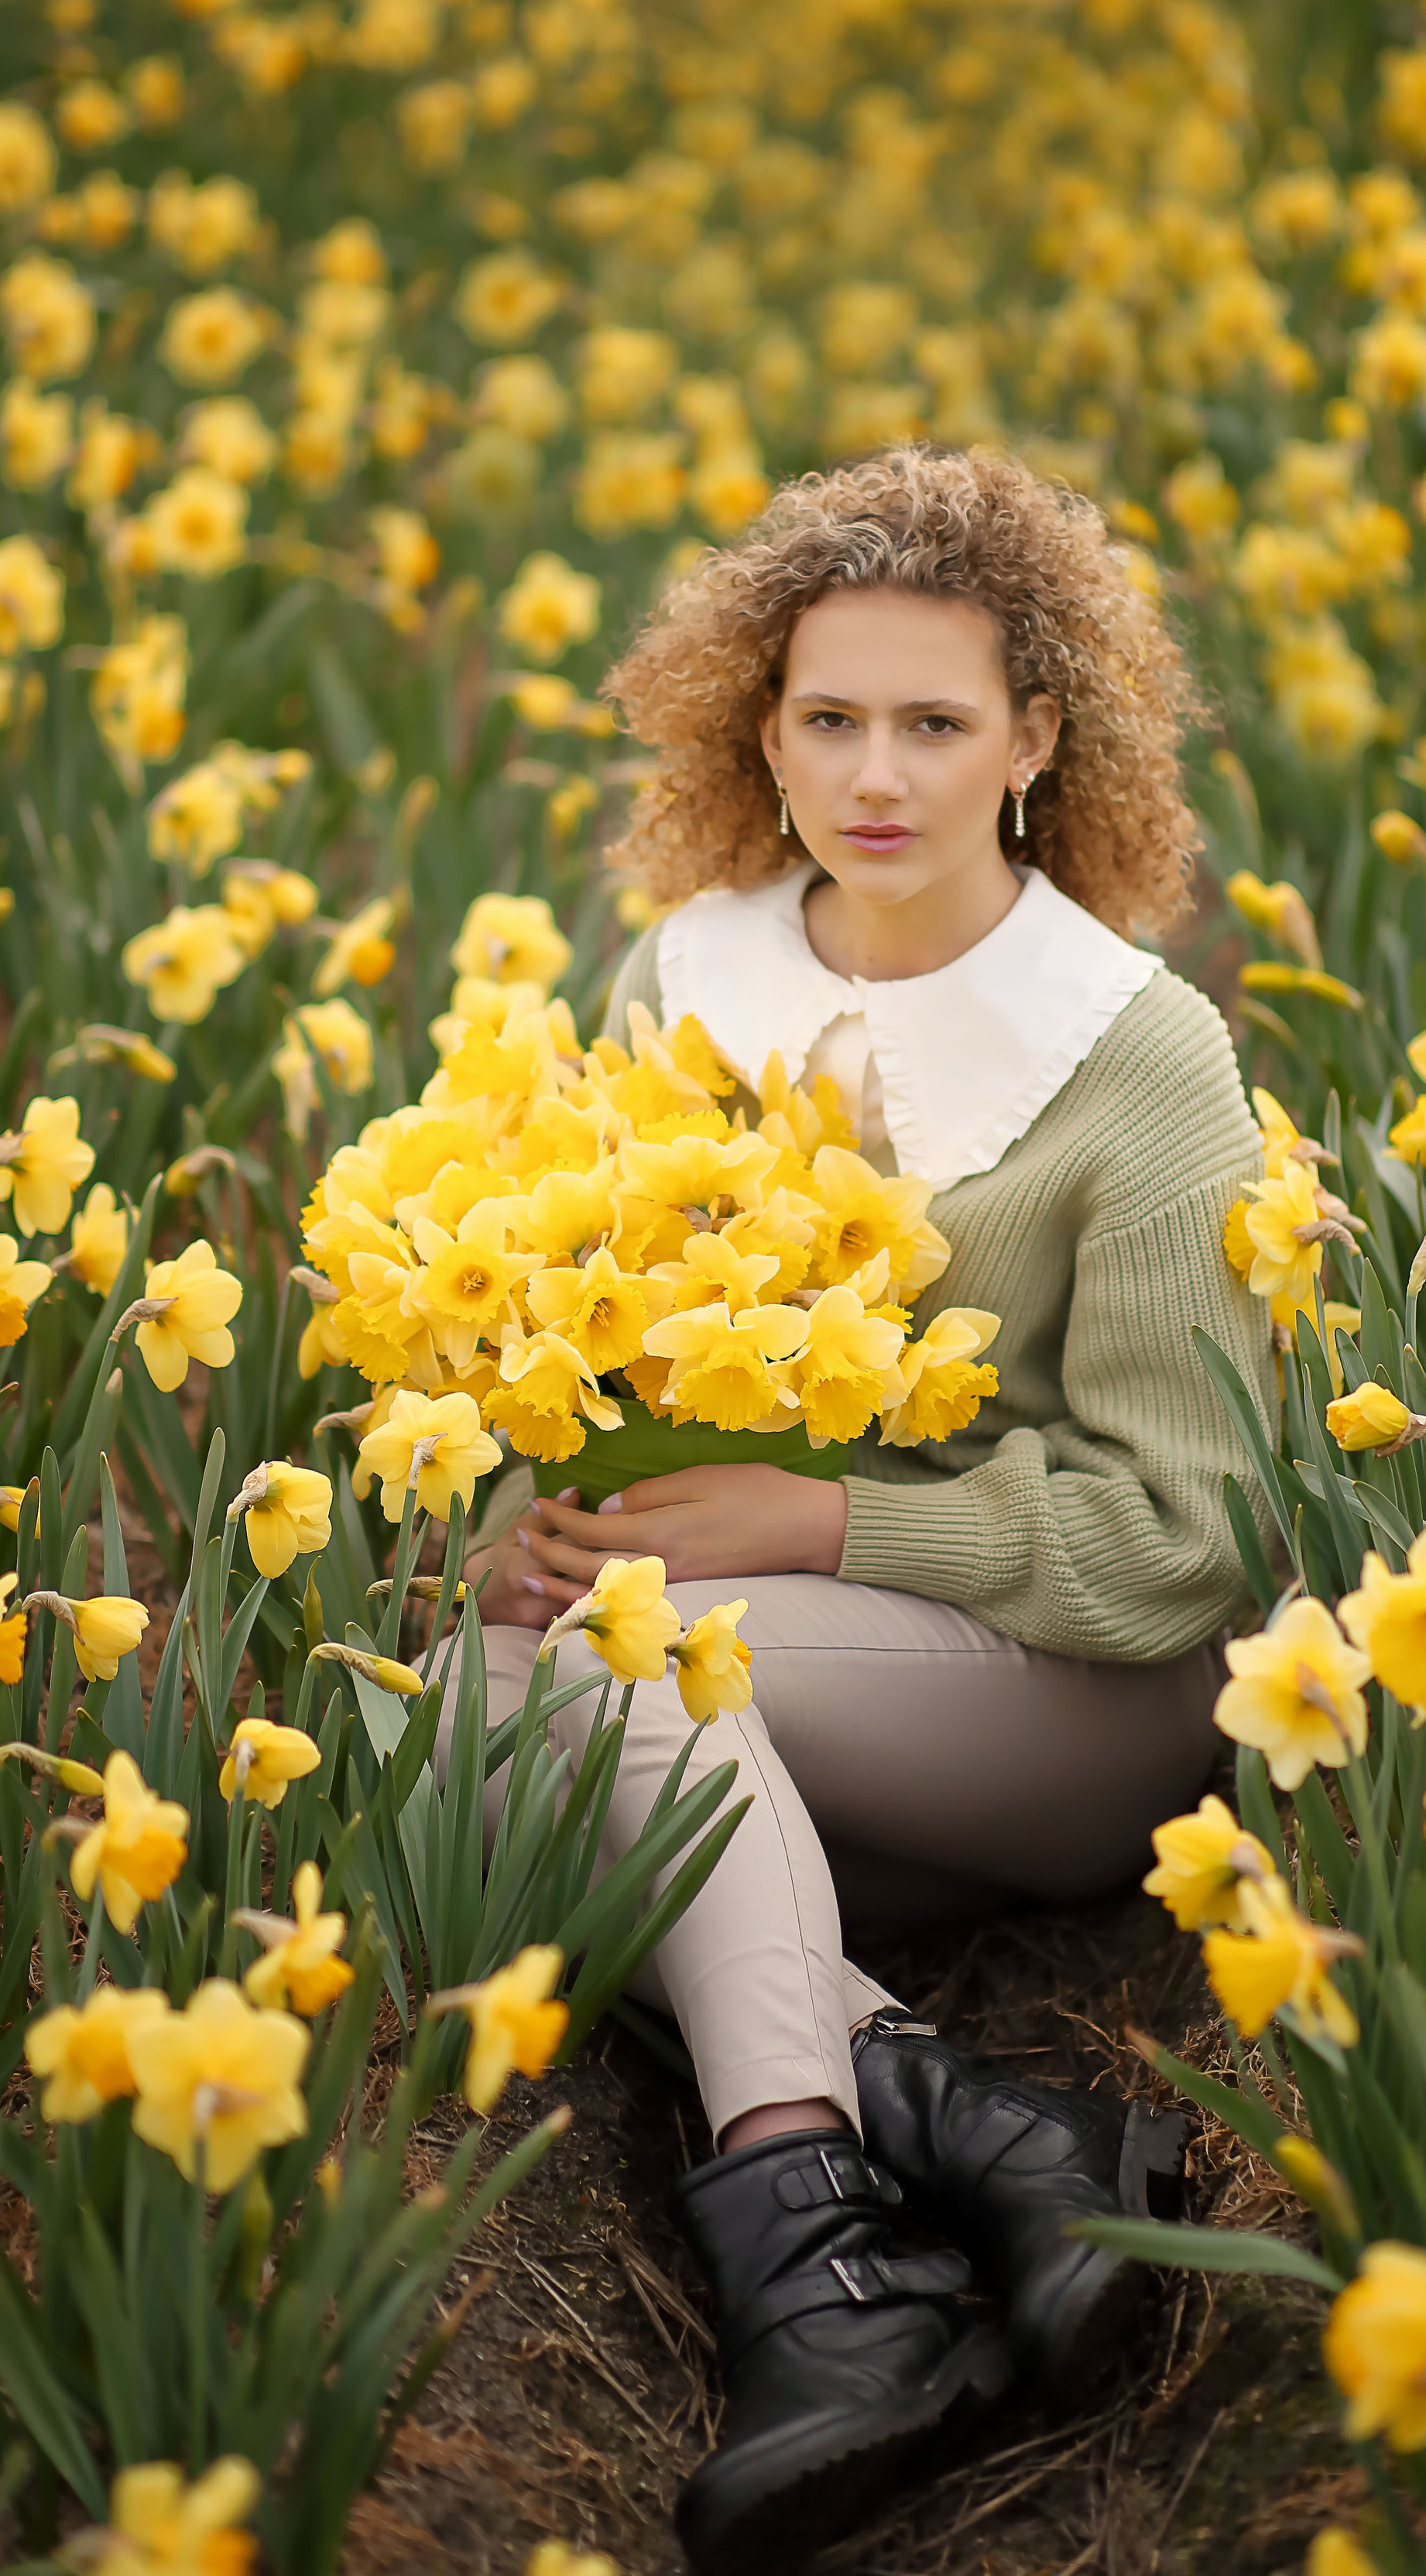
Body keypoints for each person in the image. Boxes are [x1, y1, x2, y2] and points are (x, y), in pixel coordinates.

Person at [457, 445, 1276, 2573]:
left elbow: (1190, 1542)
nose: (877, 772)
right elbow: (621, 1357)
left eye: (935, 720)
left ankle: (823, 2261)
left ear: (1038, 738)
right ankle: (946, 2127)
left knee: (563, 1710)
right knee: (467, 1704)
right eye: (830, 717)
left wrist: (813, 1532)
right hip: (765, 1693)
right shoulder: (683, 984)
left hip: (1070, 1690)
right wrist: (564, 1523)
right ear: (760, 728)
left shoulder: (1140, 1057)